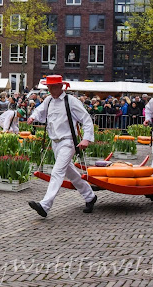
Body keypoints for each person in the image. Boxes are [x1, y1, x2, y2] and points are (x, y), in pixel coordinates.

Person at [26, 74, 97, 216]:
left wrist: (86, 139)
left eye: (52, 87)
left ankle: (45, 205)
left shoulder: (71, 101)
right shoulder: (48, 100)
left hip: (68, 142)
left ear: (61, 86)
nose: (50, 89)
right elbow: (40, 110)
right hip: (55, 142)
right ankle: (90, 196)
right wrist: (33, 116)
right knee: (70, 172)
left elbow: (86, 119)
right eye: (49, 87)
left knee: (57, 172)